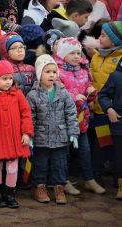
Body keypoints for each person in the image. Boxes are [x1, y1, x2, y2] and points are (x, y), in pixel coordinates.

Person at [55, 37, 106, 194]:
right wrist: (73, 97)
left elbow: (88, 93)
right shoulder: (57, 72)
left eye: (78, 53)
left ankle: (89, 179)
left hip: (81, 119)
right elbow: (57, 92)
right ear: (63, 55)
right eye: (72, 53)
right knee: (65, 152)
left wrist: (91, 93)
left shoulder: (84, 72)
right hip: (63, 120)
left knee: (85, 150)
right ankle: (64, 181)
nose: (77, 56)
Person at [27, 54, 79, 204]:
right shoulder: (33, 95)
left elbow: (71, 113)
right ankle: (40, 187)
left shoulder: (63, 93)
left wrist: (73, 133)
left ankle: (59, 188)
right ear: (39, 74)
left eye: (54, 72)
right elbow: (30, 117)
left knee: (60, 164)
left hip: (60, 137)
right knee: (40, 164)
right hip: (41, 138)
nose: (51, 75)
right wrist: (29, 135)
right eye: (47, 71)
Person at [0, 60, 34, 209]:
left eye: (10, 78)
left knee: (13, 166)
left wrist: (26, 133)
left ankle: (10, 192)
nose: (8, 82)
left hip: (13, 138)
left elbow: (26, 113)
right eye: (4, 79)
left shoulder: (17, 94)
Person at [90, 21, 122, 188]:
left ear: (115, 39)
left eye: (103, 35)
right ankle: (97, 176)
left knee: (116, 147)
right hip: (99, 109)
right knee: (100, 144)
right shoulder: (96, 55)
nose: (99, 38)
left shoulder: (120, 59)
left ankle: (117, 179)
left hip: (115, 112)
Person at [98, 61, 122, 200]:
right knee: (119, 157)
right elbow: (103, 95)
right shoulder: (116, 76)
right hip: (119, 121)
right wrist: (109, 108)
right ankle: (120, 184)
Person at [0, 32, 36, 97]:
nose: (20, 50)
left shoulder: (31, 69)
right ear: (5, 52)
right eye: (14, 48)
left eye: (21, 47)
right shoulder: (2, 71)